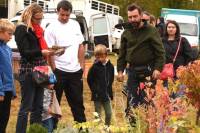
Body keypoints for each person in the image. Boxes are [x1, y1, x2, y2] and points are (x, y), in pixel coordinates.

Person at [44, 0, 86, 125]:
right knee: (54, 104)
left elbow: (81, 46)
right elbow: (49, 50)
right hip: (59, 71)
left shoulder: (75, 25)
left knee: (78, 104)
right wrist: (54, 68)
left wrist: (82, 65)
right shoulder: (51, 27)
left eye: (67, 15)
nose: (64, 17)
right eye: (62, 14)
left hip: (75, 71)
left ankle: (82, 128)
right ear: (58, 12)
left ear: (70, 13)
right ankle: (53, 128)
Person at [117, 3, 165, 108]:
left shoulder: (151, 31)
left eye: (135, 16)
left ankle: (148, 123)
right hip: (132, 71)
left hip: (148, 71)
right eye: (130, 17)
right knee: (131, 102)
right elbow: (122, 54)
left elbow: (160, 52)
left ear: (141, 15)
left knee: (147, 101)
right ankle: (132, 124)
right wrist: (120, 71)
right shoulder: (126, 33)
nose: (133, 19)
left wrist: (158, 68)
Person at [14, 3, 53, 133]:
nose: (39, 21)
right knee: (26, 108)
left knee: (38, 107)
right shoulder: (21, 29)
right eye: (37, 18)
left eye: (41, 18)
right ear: (29, 16)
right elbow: (25, 52)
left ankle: (34, 131)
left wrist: (50, 51)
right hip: (28, 72)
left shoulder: (37, 30)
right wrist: (41, 52)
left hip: (40, 70)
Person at [87, 44, 114, 126]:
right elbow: (89, 80)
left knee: (109, 113)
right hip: (97, 95)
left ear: (106, 55)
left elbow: (111, 79)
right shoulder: (94, 67)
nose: (99, 59)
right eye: (97, 57)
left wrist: (109, 90)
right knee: (97, 115)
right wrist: (95, 90)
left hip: (107, 95)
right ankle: (97, 129)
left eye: (101, 56)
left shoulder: (111, 66)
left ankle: (107, 128)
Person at [162, 20, 194, 88]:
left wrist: (185, 67)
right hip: (165, 72)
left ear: (177, 29)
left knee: (178, 93)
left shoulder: (182, 40)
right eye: (169, 27)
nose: (171, 29)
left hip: (179, 72)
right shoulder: (162, 40)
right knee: (165, 93)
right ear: (166, 28)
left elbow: (190, 55)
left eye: (173, 27)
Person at [0, 18, 16, 133]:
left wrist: (12, 90)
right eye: (9, 34)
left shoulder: (8, 49)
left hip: (7, 89)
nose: (11, 37)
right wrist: (0, 91)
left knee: (5, 119)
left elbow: (9, 71)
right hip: (1, 90)